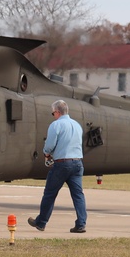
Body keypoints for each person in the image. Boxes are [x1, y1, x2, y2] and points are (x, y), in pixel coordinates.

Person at [28, 99, 87, 233]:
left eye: (53, 113)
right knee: (78, 195)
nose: (53, 115)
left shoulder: (56, 125)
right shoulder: (77, 124)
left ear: (57, 112)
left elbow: (49, 145)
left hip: (62, 164)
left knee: (50, 193)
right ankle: (81, 223)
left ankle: (41, 222)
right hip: (78, 163)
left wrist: (46, 154)